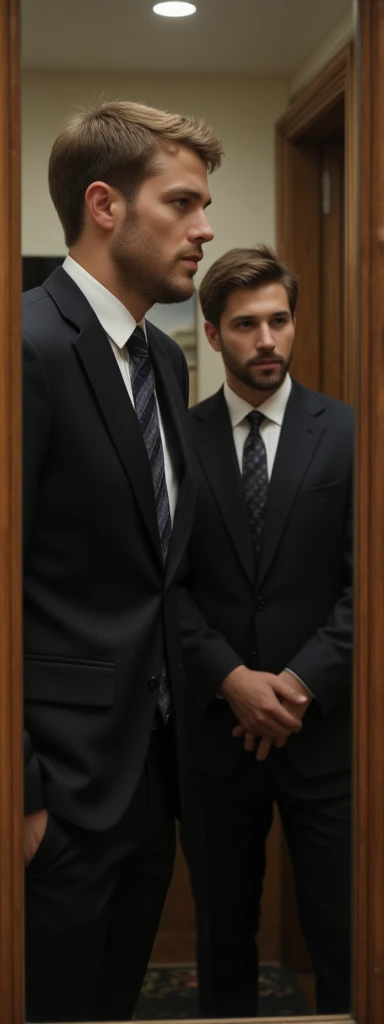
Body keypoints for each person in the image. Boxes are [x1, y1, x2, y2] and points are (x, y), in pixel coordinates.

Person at [22, 98, 222, 1024]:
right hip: (55, 796)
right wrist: (22, 799)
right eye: (181, 203)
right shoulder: (25, 345)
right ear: (105, 205)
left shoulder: (164, 364)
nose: (205, 229)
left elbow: (154, 572)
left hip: (151, 783)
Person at [179, 245, 353, 1016]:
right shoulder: (176, 443)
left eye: (279, 320)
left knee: (346, 938)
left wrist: (299, 683)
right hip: (215, 737)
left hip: (325, 738)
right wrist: (231, 678)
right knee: (224, 948)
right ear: (213, 335)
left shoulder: (349, 434)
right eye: (246, 325)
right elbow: (164, 588)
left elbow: (368, 585)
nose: (267, 340)